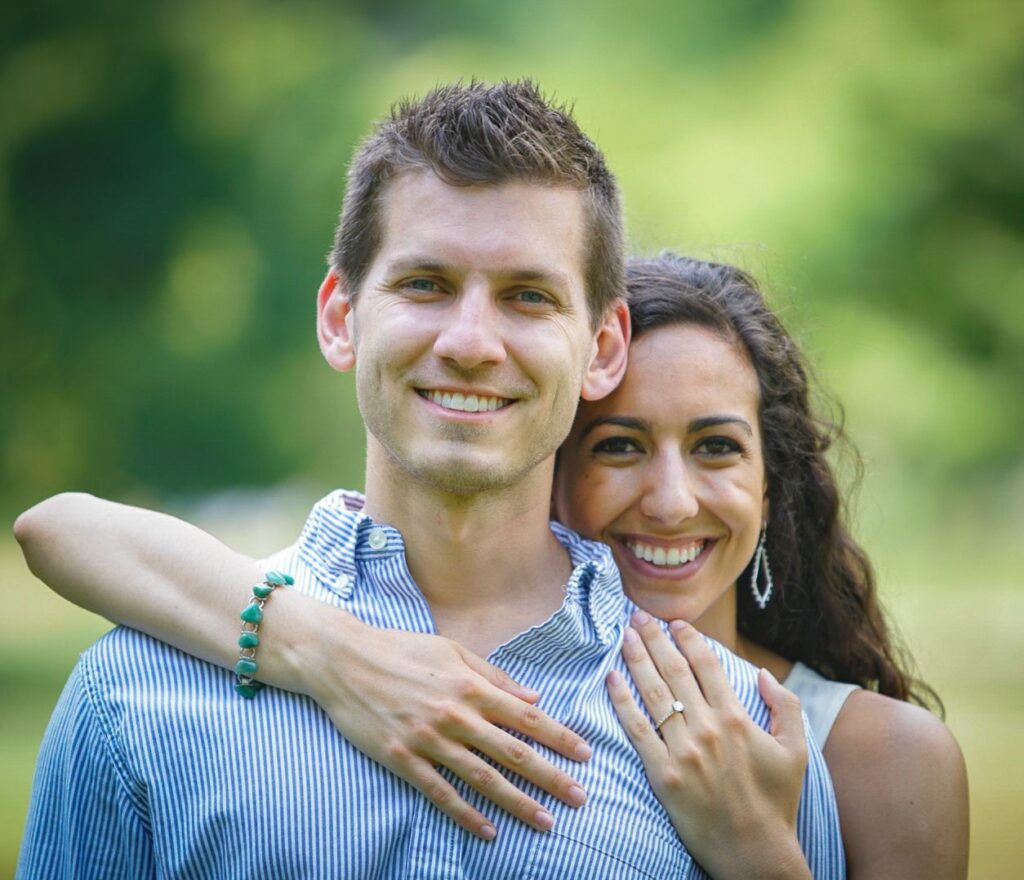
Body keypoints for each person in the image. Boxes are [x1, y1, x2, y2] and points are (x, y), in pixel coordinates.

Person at [14, 82, 844, 879]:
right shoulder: (136, 695)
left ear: (603, 347)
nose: (472, 342)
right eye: (426, 285)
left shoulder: (741, 743)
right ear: (342, 318)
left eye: (527, 295)